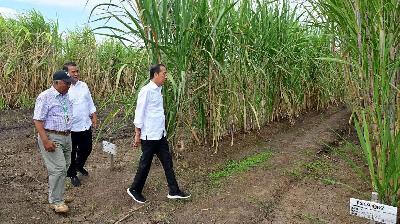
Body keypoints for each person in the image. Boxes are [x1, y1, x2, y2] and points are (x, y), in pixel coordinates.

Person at [127, 64, 190, 203]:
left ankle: (174, 191)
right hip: (149, 136)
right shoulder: (146, 90)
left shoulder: (158, 90)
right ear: (155, 75)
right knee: (145, 164)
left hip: (160, 134)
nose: (166, 76)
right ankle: (134, 189)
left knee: (168, 162)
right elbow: (139, 112)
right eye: (164, 74)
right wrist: (137, 134)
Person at [33, 70, 74, 213]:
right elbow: (38, 120)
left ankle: (58, 195)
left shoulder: (66, 95)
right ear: (56, 83)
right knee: (58, 169)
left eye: (70, 83)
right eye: (66, 83)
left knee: (65, 167)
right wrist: (45, 141)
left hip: (66, 136)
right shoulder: (45, 97)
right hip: (52, 136)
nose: (69, 85)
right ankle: (56, 202)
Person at [63, 62, 97, 187]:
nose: (76, 74)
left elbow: (89, 101)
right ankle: (72, 174)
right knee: (71, 152)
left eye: (77, 71)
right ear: (67, 73)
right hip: (71, 127)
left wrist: (93, 115)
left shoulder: (83, 86)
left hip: (85, 124)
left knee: (87, 148)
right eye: (73, 72)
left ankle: (79, 165)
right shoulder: (64, 88)